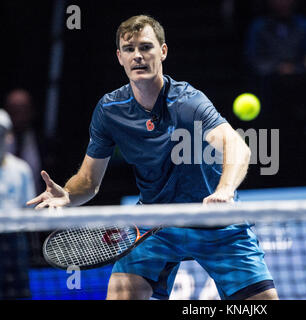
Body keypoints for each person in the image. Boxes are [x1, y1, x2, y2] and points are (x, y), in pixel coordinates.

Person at [27, 15, 278, 300]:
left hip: (215, 221)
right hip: (155, 224)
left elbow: (237, 148)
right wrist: (68, 195)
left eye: (146, 47)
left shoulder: (188, 102)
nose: (138, 56)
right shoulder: (110, 111)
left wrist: (224, 190)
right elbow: (88, 181)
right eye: (130, 49)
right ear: (119, 57)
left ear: (163, 51)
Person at [0, 109, 35, 299]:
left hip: (15, 242)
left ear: (9, 137)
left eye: (1, 134)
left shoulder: (21, 169)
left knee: (19, 293)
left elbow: (27, 208)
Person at [4, 89, 43, 193]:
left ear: (32, 111)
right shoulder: (2, 140)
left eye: (23, 110)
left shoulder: (43, 142)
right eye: (14, 111)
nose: (19, 116)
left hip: (36, 203)